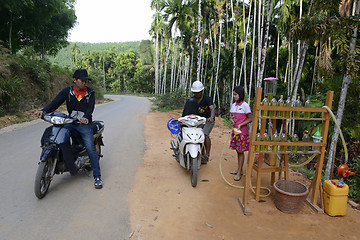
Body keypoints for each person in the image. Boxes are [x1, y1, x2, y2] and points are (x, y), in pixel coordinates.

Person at [34, 69, 103, 189]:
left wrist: (85, 118)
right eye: (82, 80)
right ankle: (64, 159)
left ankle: (97, 177)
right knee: (57, 134)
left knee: (90, 148)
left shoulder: (90, 92)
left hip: (84, 124)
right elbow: (55, 103)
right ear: (75, 80)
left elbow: (90, 108)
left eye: (86, 81)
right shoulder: (67, 91)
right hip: (70, 122)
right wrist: (43, 111)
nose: (85, 83)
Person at [182, 80, 215, 163]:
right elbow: (186, 112)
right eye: (195, 92)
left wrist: (211, 117)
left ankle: (207, 154)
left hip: (207, 120)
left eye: (198, 92)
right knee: (196, 135)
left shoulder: (207, 99)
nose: (196, 94)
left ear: (202, 91)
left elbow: (212, 108)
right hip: (197, 121)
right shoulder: (191, 100)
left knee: (205, 134)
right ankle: (200, 153)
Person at [229, 85, 253, 181]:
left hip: (242, 132)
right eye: (233, 94)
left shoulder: (245, 105)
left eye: (235, 95)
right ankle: (239, 169)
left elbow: (251, 119)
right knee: (237, 151)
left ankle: (239, 172)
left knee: (240, 151)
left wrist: (241, 124)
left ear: (240, 94)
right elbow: (232, 117)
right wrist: (232, 120)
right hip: (235, 132)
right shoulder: (234, 105)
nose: (234, 96)